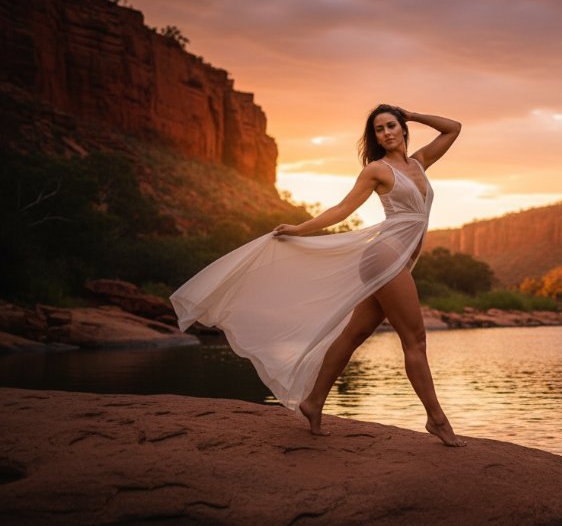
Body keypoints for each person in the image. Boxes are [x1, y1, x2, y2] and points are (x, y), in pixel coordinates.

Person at [170, 104, 466, 447]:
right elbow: (342, 209)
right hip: (384, 256)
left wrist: (411, 114)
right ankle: (436, 419)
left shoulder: (419, 162)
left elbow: (453, 128)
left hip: (398, 259)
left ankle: (312, 402)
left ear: (402, 128)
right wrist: (300, 229)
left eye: (390, 126)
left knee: (354, 334)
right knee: (415, 340)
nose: (385, 133)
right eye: (378, 130)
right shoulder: (377, 170)